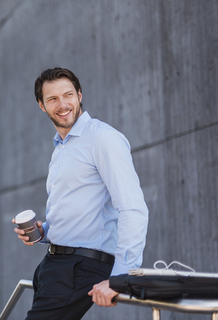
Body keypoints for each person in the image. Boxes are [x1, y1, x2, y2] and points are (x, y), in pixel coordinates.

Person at [13, 67, 149, 320]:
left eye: (68, 95)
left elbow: (133, 208)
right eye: (52, 99)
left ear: (79, 95)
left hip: (81, 267)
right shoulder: (61, 147)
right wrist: (44, 233)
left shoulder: (102, 138)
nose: (62, 104)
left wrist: (120, 277)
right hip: (53, 265)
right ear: (41, 106)